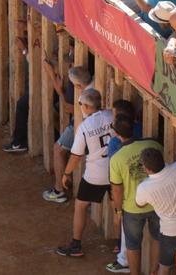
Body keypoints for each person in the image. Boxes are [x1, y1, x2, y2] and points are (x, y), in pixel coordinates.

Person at [54, 88, 114, 259]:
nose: (79, 106)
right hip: (116, 171)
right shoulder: (111, 115)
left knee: (80, 206)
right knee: (119, 210)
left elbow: (75, 156)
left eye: (80, 104)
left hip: (95, 174)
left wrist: (66, 174)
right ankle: (120, 247)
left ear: (87, 106)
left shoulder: (85, 127)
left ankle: (76, 245)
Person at [108, 116, 163, 275]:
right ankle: (154, 272)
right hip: (156, 203)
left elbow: (117, 190)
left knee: (132, 245)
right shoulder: (153, 145)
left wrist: (118, 212)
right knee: (157, 238)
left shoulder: (117, 158)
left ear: (117, 134)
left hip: (132, 208)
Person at [135, 148, 176, 275]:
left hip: (170, 231)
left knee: (165, 267)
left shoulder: (144, 187)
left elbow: (139, 205)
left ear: (147, 169)